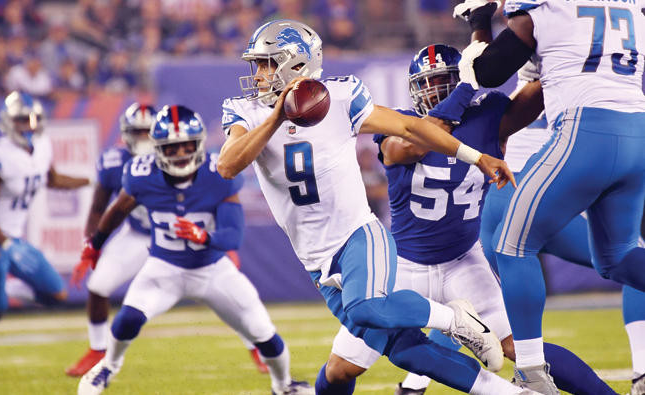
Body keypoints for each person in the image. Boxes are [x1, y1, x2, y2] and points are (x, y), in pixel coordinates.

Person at [219, 19, 539, 395]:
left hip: (358, 238)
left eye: (267, 63)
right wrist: (277, 116)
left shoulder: (339, 96)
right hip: (315, 260)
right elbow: (228, 164)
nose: (258, 74)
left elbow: (409, 128)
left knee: (367, 309)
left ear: (295, 63)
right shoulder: (246, 110)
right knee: (388, 360)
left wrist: (475, 156)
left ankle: (453, 320)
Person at [456, 0, 645, 392]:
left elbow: (488, 72)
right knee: (618, 257)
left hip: (585, 132)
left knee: (512, 246)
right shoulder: (629, 10)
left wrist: (479, 21)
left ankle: (531, 373)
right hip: (637, 133)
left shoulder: (545, 8)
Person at [77, 105, 312, 395]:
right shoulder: (141, 174)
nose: (180, 153)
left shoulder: (217, 174)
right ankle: (107, 367)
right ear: (158, 148)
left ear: (199, 143)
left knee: (264, 334)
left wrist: (203, 236)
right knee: (128, 318)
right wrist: (96, 244)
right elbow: (118, 209)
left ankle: (283, 384)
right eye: (172, 147)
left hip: (213, 269)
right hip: (164, 267)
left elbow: (232, 236)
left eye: (186, 145)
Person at [66, 103, 157, 376]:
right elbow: (98, 208)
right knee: (98, 285)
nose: (142, 137)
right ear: (126, 133)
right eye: (137, 132)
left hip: (175, 234)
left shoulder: (175, 157)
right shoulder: (114, 162)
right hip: (137, 234)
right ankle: (98, 350)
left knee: (219, 288)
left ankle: (257, 345)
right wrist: (89, 244)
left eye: (147, 131)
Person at [0, 91, 90, 323]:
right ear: (8, 121)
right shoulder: (0, 154)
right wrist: (4, 244)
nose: (28, 125)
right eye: (21, 120)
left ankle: (13, 289)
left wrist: (91, 181)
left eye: (32, 119)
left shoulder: (43, 145)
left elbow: (53, 180)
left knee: (57, 294)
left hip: (14, 239)